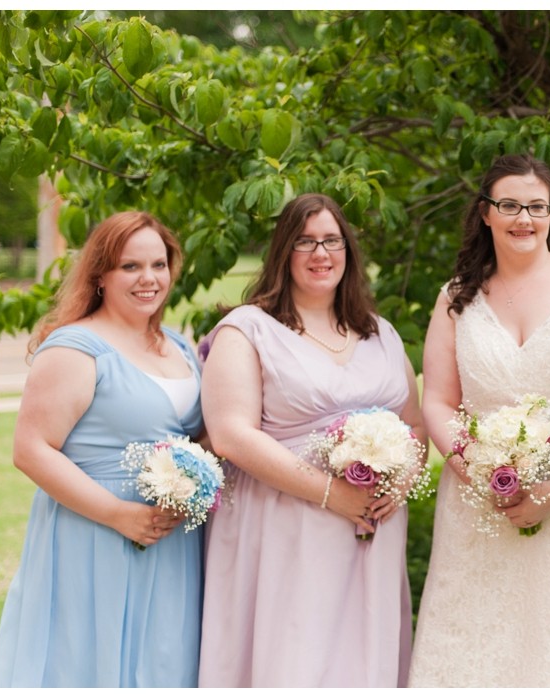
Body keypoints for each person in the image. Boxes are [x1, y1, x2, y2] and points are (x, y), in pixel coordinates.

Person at [408, 154, 550, 687]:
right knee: (477, 640)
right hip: (478, 502)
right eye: (509, 205)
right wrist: (477, 472)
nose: (524, 219)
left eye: (537, 207)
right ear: (485, 213)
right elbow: (439, 401)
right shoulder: (456, 297)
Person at [196, 193, 424, 687]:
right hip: (283, 526)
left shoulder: (380, 333)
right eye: (305, 242)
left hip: (372, 532)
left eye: (332, 241)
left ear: (349, 251)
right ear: (283, 252)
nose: (321, 254)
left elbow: (417, 425)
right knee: (293, 654)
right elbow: (231, 435)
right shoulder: (248, 330)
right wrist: (331, 494)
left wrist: (402, 478)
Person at [0, 212, 203, 687]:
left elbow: (195, 435)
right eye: (130, 267)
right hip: (94, 533)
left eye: (159, 264)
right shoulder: (75, 348)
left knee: (163, 663)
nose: (149, 279)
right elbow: (30, 449)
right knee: (91, 662)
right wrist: (117, 513)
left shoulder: (177, 345)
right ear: (101, 276)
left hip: (171, 541)